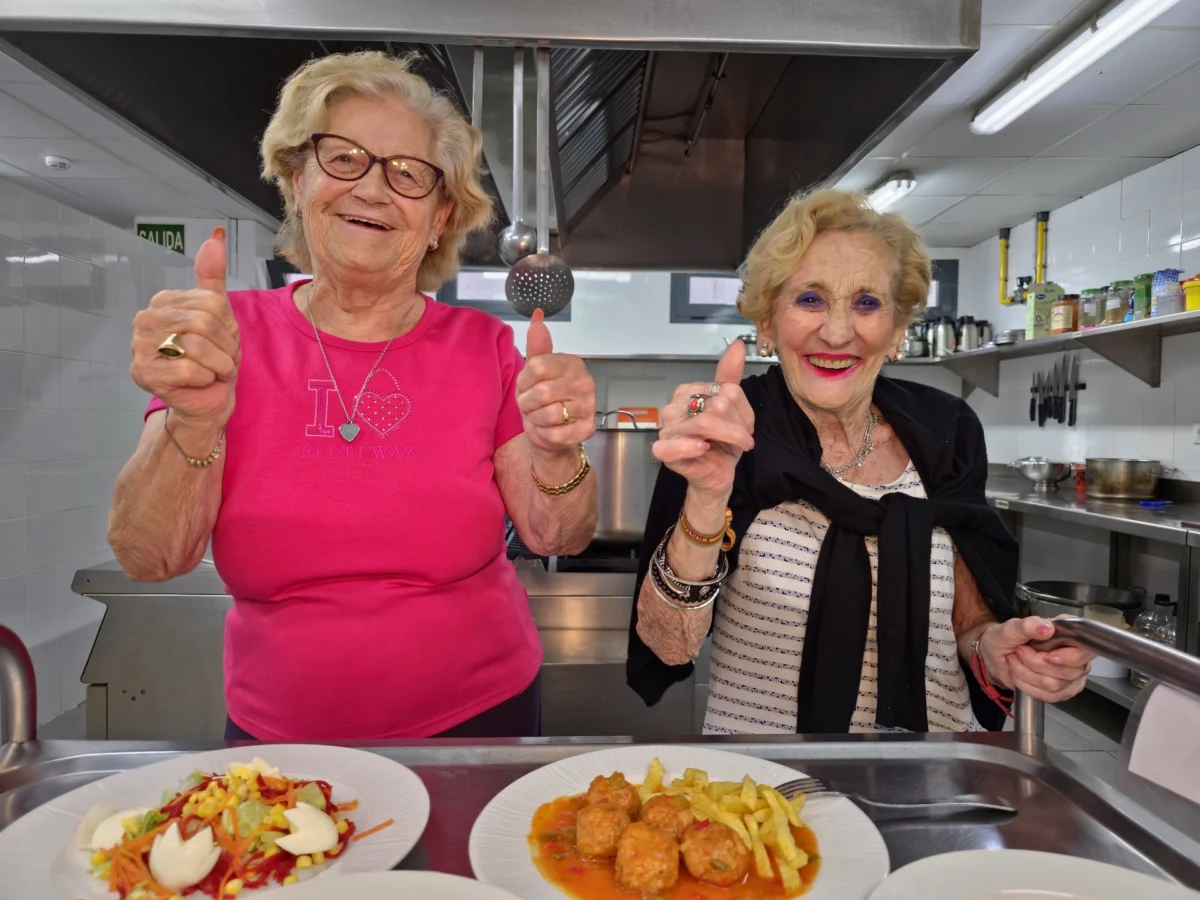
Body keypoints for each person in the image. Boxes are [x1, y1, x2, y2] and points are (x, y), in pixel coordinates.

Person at [108, 51, 599, 741]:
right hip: (281, 739)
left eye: (408, 174)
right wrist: (191, 421)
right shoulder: (223, 335)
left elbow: (560, 534)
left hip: (477, 724)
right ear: (297, 176)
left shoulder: (483, 348)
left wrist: (560, 453)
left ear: (439, 216)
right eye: (344, 158)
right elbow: (147, 556)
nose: (372, 188)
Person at [627, 188, 1092, 735]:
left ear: (897, 330)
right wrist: (707, 496)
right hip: (765, 788)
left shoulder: (946, 432)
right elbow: (668, 646)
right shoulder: (730, 430)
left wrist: (1005, 653)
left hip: (932, 774)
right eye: (810, 299)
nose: (839, 331)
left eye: (867, 303)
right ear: (767, 325)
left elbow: (968, 624)